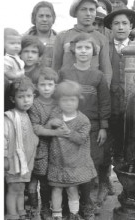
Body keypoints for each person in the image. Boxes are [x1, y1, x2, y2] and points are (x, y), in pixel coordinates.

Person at [59, 33, 111, 208]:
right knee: (69, 162)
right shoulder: (64, 73)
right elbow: (57, 99)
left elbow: (104, 102)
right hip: (67, 127)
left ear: (93, 51)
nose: (83, 51)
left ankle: (89, 201)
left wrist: (103, 127)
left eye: (87, 48)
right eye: (80, 47)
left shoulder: (98, 76)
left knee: (91, 162)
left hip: (92, 129)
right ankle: (70, 201)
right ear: (73, 49)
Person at [47, 81, 97, 220]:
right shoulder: (56, 113)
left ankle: (74, 214)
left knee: (72, 189)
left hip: (74, 162)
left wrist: (69, 132)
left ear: (78, 101)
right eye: (64, 100)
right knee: (56, 188)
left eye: (72, 100)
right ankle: (56, 214)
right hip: (58, 161)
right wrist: (50, 123)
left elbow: (81, 139)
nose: (68, 103)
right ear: (58, 101)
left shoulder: (83, 120)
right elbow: (47, 126)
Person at [103, 9, 135, 166]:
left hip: (129, 105)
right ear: (111, 27)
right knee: (105, 145)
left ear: (130, 26)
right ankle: (105, 181)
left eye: (124, 23)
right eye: (116, 23)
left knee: (128, 145)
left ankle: (128, 184)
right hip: (108, 103)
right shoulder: (105, 47)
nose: (120, 27)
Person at [52, 0, 113, 88]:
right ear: (76, 12)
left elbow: (106, 71)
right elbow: (55, 68)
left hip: (92, 94)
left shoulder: (102, 39)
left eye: (92, 10)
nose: (88, 13)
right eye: (83, 9)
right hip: (67, 92)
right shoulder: (62, 37)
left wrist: (103, 92)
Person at [27, 67, 60, 220]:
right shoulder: (34, 105)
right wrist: (52, 130)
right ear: (36, 86)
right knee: (34, 180)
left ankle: (45, 207)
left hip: (54, 149)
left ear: (55, 85)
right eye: (42, 85)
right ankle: (33, 207)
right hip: (37, 148)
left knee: (47, 182)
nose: (46, 88)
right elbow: (35, 128)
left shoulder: (58, 103)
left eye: (50, 84)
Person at [5, 77, 39, 220]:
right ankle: (12, 214)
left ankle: (21, 211)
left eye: (29, 96)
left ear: (34, 97)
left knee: (21, 188)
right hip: (13, 160)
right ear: (13, 99)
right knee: (13, 188)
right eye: (21, 97)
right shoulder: (10, 117)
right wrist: (4, 156)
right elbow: (3, 137)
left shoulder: (27, 115)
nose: (26, 100)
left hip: (25, 161)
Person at [24, 1, 58, 68]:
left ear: (53, 19)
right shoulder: (22, 40)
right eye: (41, 16)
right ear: (34, 18)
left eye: (48, 16)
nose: (44, 19)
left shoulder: (60, 41)